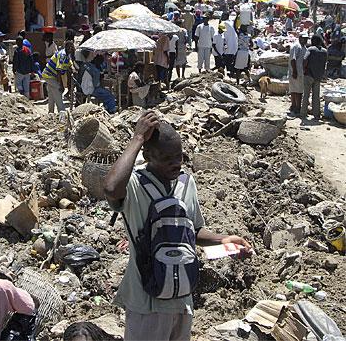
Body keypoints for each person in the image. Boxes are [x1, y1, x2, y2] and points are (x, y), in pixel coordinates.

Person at [103, 112, 252, 341]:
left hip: (182, 297)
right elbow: (112, 188)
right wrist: (137, 137)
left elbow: (193, 231)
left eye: (179, 156)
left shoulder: (185, 182)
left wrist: (224, 240)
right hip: (147, 302)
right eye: (166, 158)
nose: (175, 163)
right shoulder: (134, 185)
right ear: (148, 155)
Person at [42, 41, 75, 114]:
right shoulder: (62, 55)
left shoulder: (67, 55)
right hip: (49, 75)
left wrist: (72, 68)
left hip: (52, 76)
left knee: (51, 94)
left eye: (71, 47)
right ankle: (62, 111)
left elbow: (70, 65)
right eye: (68, 47)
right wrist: (61, 85)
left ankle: (50, 112)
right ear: (65, 47)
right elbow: (59, 71)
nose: (70, 48)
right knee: (58, 90)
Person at [301, 34, 328, 120]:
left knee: (306, 95)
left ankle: (303, 113)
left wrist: (303, 69)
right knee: (316, 96)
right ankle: (316, 115)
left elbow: (305, 60)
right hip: (318, 76)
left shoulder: (310, 49)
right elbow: (325, 63)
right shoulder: (324, 51)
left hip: (309, 75)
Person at [288, 33, 308, 114]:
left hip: (299, 72)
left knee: (294, 90)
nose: (306, 40)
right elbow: (293, 59)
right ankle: (297, 107)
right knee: (298, 91)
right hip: (296, 71)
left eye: (306, 39)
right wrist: (295, 71)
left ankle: (294, 106)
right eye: (304, 38)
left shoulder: (304, 47)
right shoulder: (296, 46)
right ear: (300, 38)